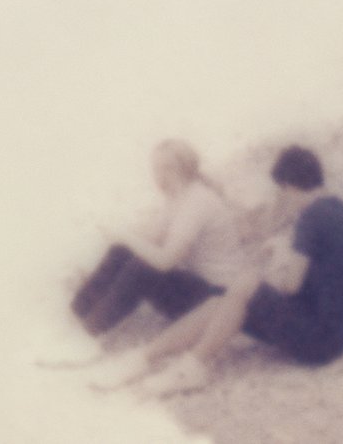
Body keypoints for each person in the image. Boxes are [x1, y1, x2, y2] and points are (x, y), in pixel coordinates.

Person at [99, 145, 343, 396]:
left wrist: (282, 256)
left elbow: (290, 286)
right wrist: (293, 252)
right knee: (223, 300)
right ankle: (146, 357)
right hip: (336, 335)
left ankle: (193, 366)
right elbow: (338, 267)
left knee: (247, 284)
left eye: (281, 192)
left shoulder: (310, 218)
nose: (282, 198)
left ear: (287, 186)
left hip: (316, 340)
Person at [70, 141, 247, 336]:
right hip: (201, 287)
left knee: (144, 266)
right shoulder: (178, 197)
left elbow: (165, 261)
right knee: (122, 251)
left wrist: (125, 236)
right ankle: (78, 312)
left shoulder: (197, 202)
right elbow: (152, 238)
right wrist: (119, 234)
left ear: (184, 168)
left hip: (219, 299)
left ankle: (92, 330)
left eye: (166, 168)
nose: (159, 175)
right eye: (155, 168)